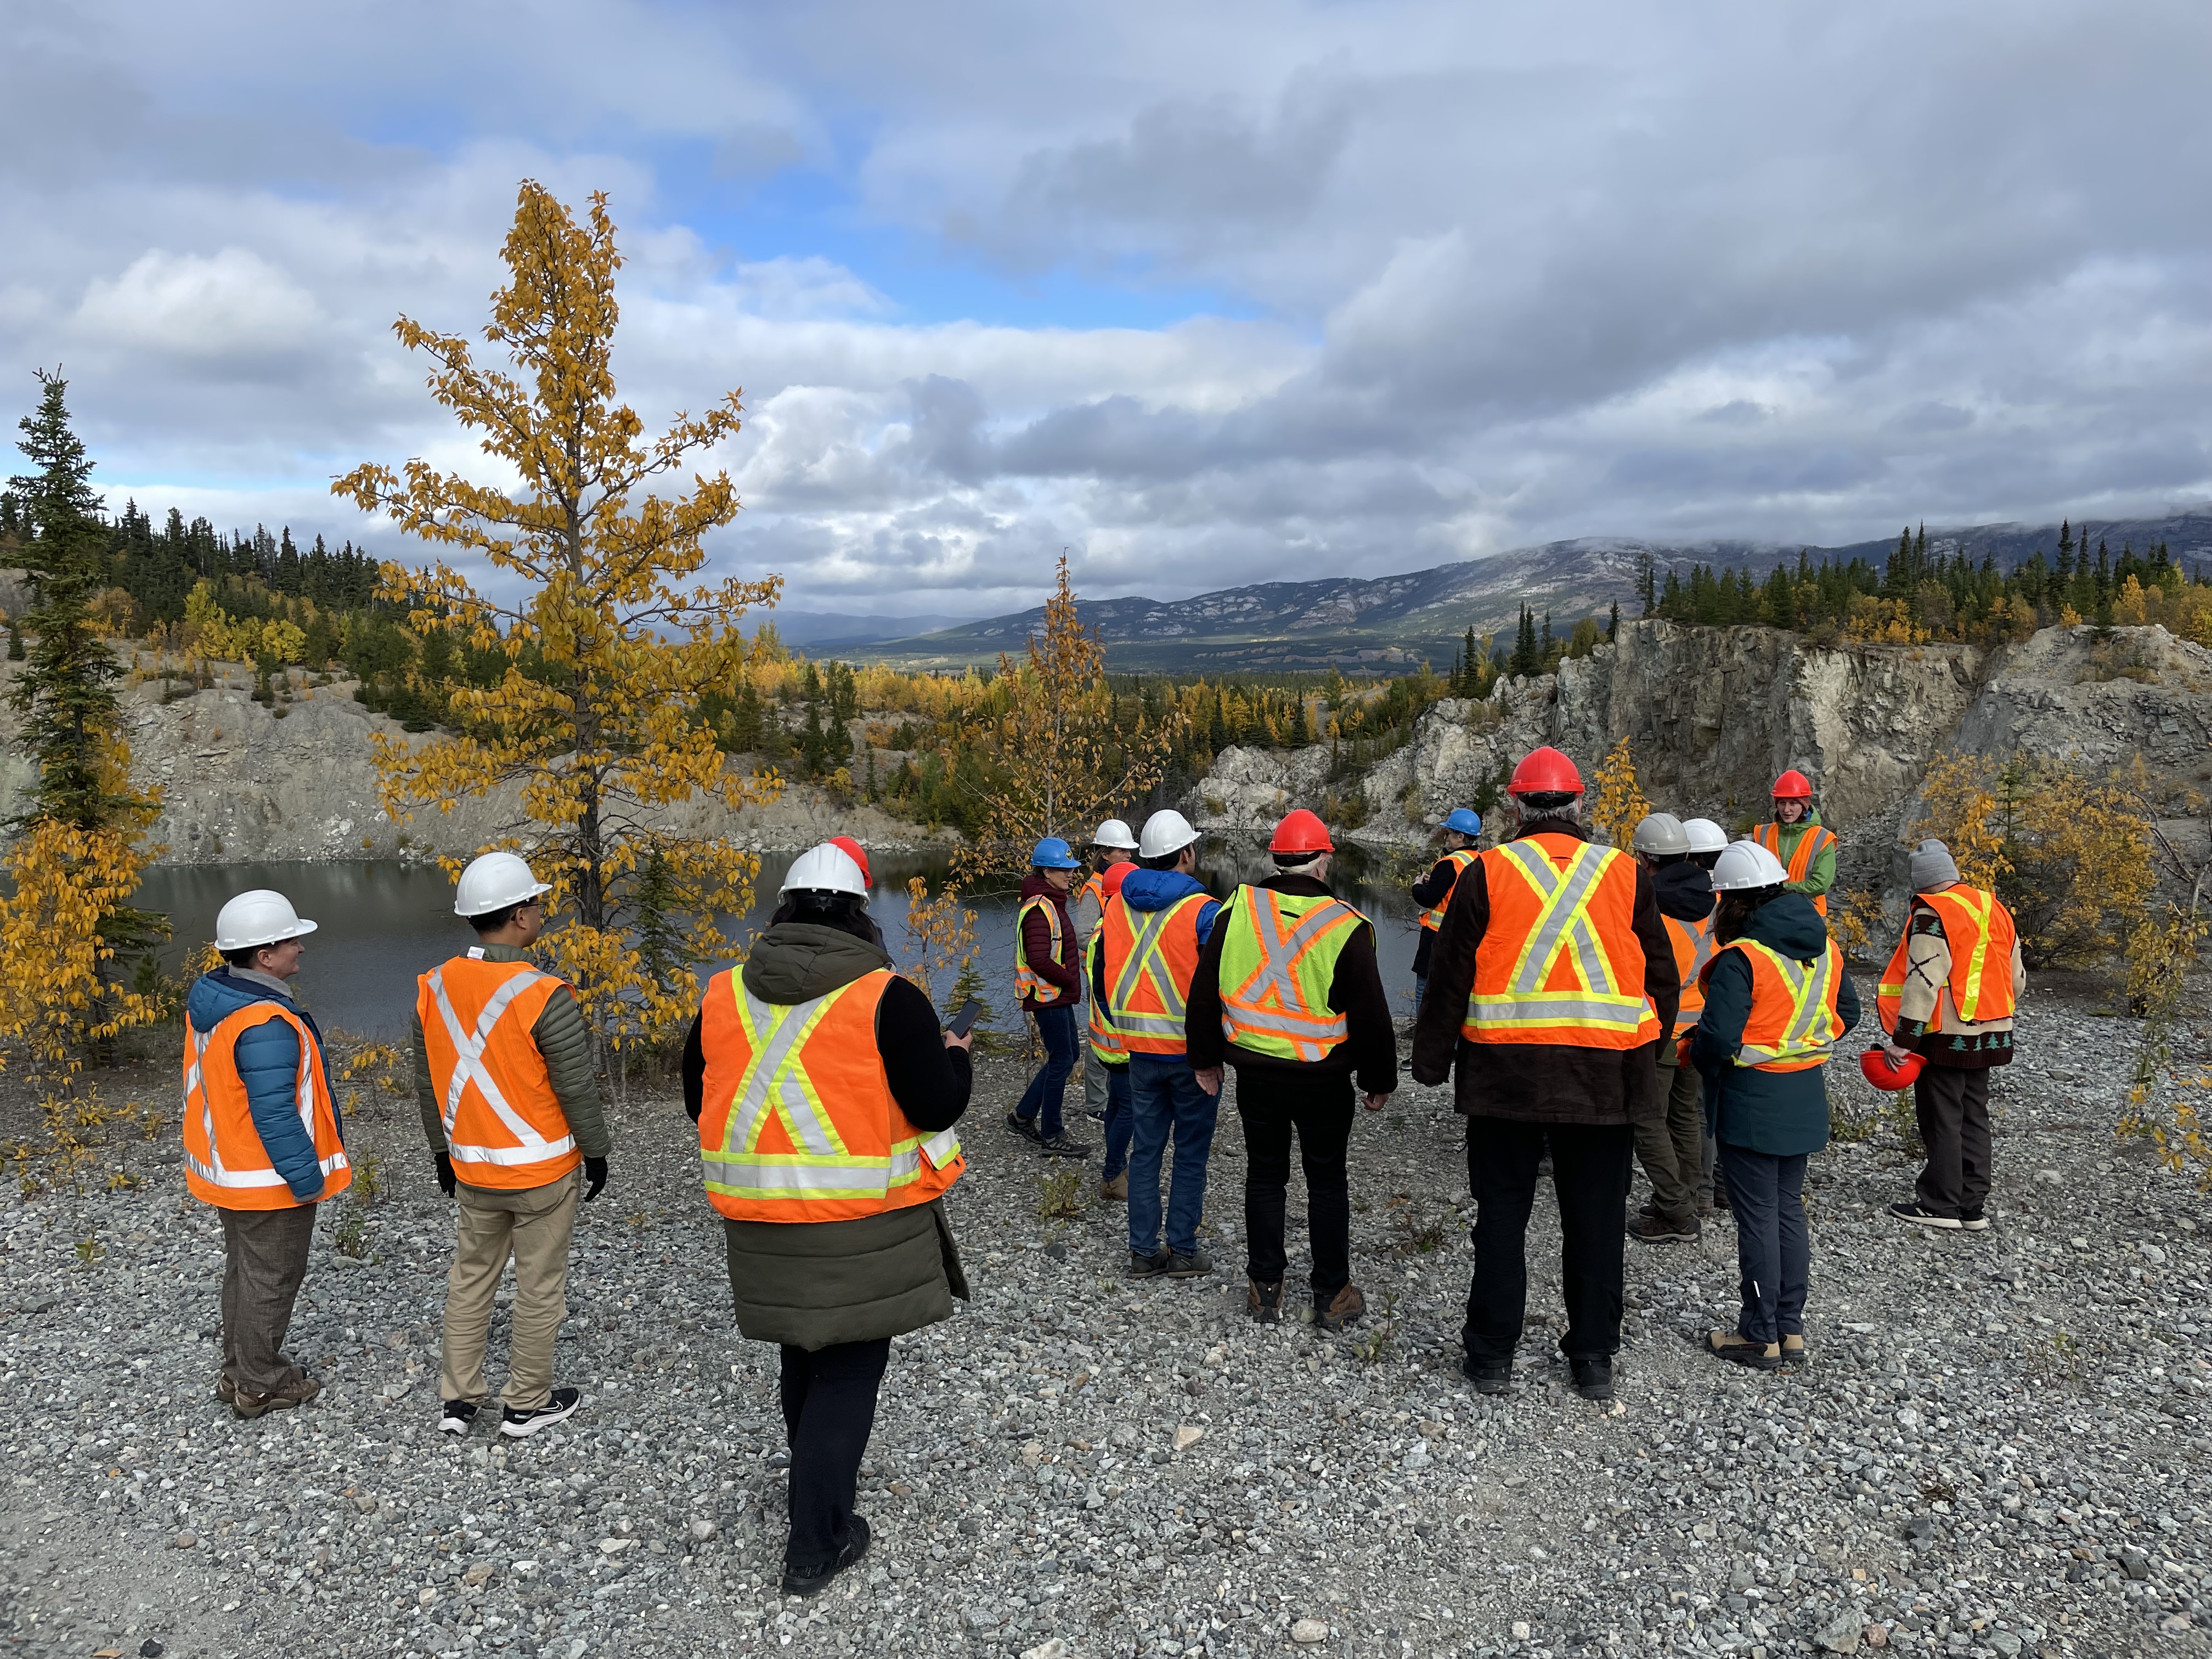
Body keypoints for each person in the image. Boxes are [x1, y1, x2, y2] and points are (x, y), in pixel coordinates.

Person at [684, 843, 972, 1599]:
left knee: (802, 1356)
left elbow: (697, 1098)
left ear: (783, 910)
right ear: (859, 914)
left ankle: (815, 1496)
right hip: (860, 1226)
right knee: (847, 1372)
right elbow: (937, 1105)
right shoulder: (889, 998)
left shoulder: (723, 995)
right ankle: (816, 1543)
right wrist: (957, 1058)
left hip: (762, 1223)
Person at [1410, 746, 1677, 1403]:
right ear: (1580, 805)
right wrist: (1648, 1050)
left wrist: (1430, 1063)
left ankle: (1491, 1357)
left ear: (1516, 806)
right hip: (1605, 1081)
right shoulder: (1626, 873)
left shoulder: (1486, 872)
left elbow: (1449, 975)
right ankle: (1592, 1358)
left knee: (1502, 1218)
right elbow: (1662, 978)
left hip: (1506, 1080)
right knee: (1597, 1223)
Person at [414, 852, 609, 1440]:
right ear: (520, 916)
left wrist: (442, 1153)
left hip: (473, 1168)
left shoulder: (434, 986)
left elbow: (429, 1081)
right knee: (538, 1287)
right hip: (543, 1173)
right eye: (537, 904)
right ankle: (525, 1403)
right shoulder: (543, 993)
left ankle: (458, 1401)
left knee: (471, 1279)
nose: (542, 911)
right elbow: (575, 1086)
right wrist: (596, 1151)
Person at [1186, 809, 1397, 1330]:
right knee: (1326, 1182)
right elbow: (1372, 1015)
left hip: (1258, 1077)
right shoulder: (1346, 925)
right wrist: (1378, 1080)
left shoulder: (1238, 909)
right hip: (1324, 1081)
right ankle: (1332, 1292)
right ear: (1323, 862)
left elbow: (1204, 990)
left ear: (1276, 860)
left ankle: (1265, 1289)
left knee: (1265, 1176)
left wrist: (1205, 1059)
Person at [1691, 840, 1859, 1368]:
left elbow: (1718, 1039)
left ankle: (1758, 1334)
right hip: (1805, 1093)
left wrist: (1699, 1052)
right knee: (1788, 1210)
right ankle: (1790, 1329)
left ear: (1732, 900)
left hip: (1752, 1101)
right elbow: (1848, 1013)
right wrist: (1800, 1044)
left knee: (1759, 1217)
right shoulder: (1826, 948)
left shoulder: (1743, 957)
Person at [183, 889, 348, 1420]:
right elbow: (275, 1113)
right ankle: (259, 1384)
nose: (301, 948)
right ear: (264, 955)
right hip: (267, 1179)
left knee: (246, 1273)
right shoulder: (264, 1022)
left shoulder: (219, 1001)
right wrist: (306, 1178)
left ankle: (239, 1371)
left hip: (231, 1171)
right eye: (291, 940)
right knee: (272, 1278)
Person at [1098, 809, 1223, 1279]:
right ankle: (1183, 1252)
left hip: (1139, 1053)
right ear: (1186, 853)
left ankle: (1143, 1253)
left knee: (1146, 1153)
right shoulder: (1204, 911)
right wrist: (1216, 1051)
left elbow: (1100, 974)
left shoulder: (1116, 906)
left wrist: (1121, 1024)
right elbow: (1221, 986)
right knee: (1190, 1154)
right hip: (1192, 1058)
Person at [1876, 839, 2025, 1232]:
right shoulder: (1992, 906)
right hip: (1994, 1031)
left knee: (1942, 1118)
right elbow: (2016, 977)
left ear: (1921, 880)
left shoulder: (1932, 912)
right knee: (1974, 1115)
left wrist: (1904, 1040)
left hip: (1946, 1035)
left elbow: (1923, 979)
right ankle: (1972, 1207)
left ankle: (1939, 1204)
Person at [1625, 813, 1714, 1245]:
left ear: (1645, 859)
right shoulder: (1715, 898)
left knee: (1646, 1120)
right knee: (1685, 1116)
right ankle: (1687, 1197)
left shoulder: (1646, 903)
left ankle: (1676, 1211)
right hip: (1701, 1028)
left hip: (1661, 1027)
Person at [1006, 837, 1092, 1157]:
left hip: (1056, 996)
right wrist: (1070, 979)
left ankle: (1022, 1117)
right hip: (1048, 997)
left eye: (1071, 868)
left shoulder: (1052, 902)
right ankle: (1053, 1135)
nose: (1071, 874)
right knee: (1062, 1060)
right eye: (1064, 869)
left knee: (1068, 1055)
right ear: (1046, 871)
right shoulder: (1039, 909)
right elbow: (1038, 959)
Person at [1081, 847, 1142, 1201]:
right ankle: (1113, 1175)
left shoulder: (1103, 929)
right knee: (1128, 1109)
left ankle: (1116, 1169)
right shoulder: (1116, 936)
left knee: (1118, 1105)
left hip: (1107, 1039)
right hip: (1121, 1040)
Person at [1073, 819, 1141, 1125]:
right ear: (1105, 855)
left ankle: (1117, 1097)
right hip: (1100, 972)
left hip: (1121, 972)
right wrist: (1113, 945)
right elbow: (1083, 935)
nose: (1129, 855)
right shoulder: (1095, 890)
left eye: (1129, 851)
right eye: (1123, 851)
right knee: (1101, 1037)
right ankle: (1096, 1104)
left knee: (1119, 1035)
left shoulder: (1126, 881)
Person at [1680, 815, 1730, 1213]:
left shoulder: (1681, 903)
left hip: (1688, 1022)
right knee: (1726, 1103)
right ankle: (1725, 1186)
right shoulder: (1736, 902)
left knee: (1696, 1111)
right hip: (1729, 1017)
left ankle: (1701, 1192)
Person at [1410, 808, 1483, 1014]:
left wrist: (1417, 886)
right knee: (1454, 992)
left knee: (1425, 989)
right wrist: (1435, 882)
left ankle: (1424, 1030)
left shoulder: (1449, 863)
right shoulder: (1480, 860)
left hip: (1437, 938)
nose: (1447, 838)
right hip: (1466, 938)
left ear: (1461, 837)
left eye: (1450, 834)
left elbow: (1428, 898)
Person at [1751, 770, 1838, 918]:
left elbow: (1820, 884)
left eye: (1793, 803)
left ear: (1804, 805)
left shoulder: (1823, 838)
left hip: (1806, 915)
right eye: (1782, 803)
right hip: (1768, 912)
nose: (1787, 810)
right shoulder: (1763, 833)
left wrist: (1782, 888)